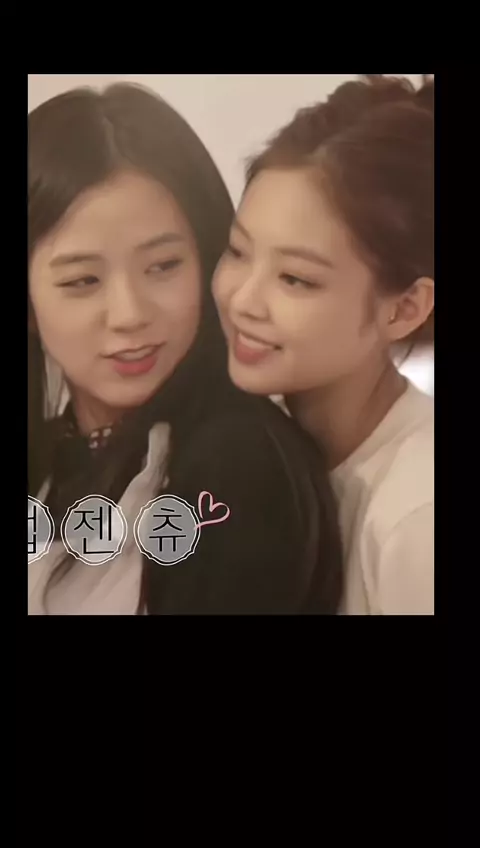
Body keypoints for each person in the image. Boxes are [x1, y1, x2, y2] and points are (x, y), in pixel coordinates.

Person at [28, 82, 343, 615]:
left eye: (163, 266)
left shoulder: (235, 464)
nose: (129, 314)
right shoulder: (54, 451)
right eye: (83, 281)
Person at [213, 75, 434, 615]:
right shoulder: (255, 446)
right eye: (237, 251)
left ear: (404, 308)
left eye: (296, 279)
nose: (243, 300)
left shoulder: (418, 516)